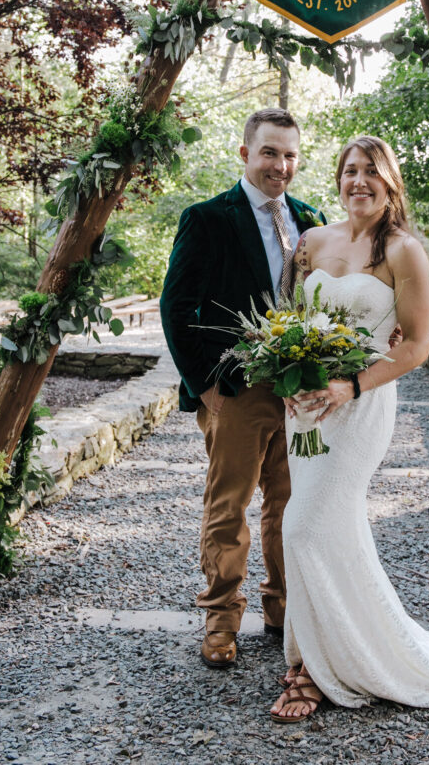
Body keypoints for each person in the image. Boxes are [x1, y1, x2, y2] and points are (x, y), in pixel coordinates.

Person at [270, 135, 429, 722]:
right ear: (338, 178)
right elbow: (289, 320)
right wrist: (291, 376)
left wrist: (348, 385)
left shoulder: (404, 252)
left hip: (359, 405)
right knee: (320, 527)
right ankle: (318, 647)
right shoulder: (310, 242)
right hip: (306, 406)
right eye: (350, 170)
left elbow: (416, 345)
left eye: (371, 173)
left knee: (304, 527)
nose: (359, 181)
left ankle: (312, 668)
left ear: (391, 184)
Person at [160, 108, 326, 669]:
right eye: (270, 153)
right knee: (229, 505)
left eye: (290, 155)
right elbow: (177, 307)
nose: (281, 165)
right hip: (234, 387)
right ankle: (221, 620)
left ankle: (281, 610)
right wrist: (204, 385)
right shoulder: (208, 218)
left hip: (298, 391)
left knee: (289, 503)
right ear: (245, 154)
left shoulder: (312, 218)